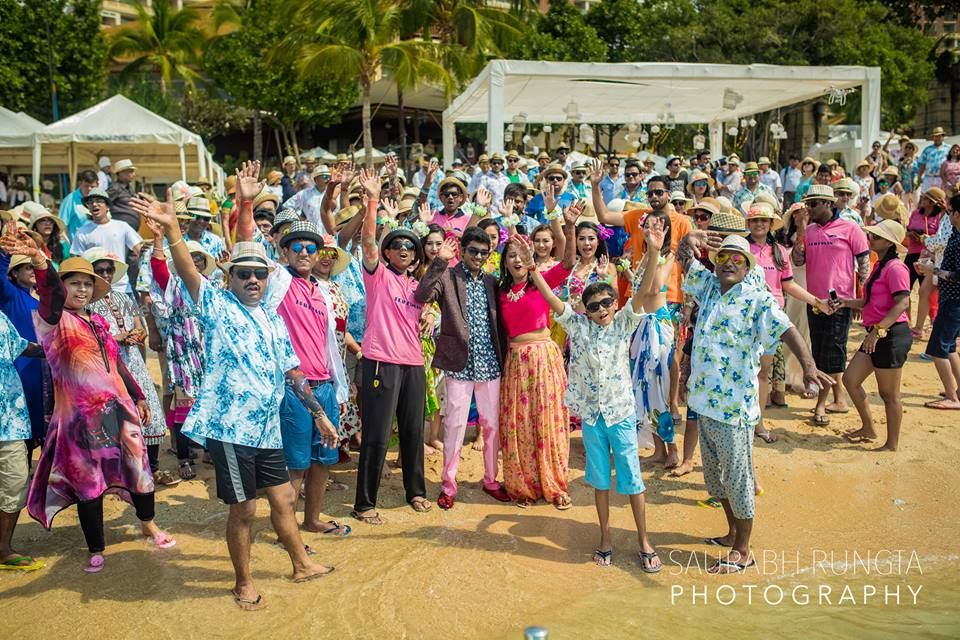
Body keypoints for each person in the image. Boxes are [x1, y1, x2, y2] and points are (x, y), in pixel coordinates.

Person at [133, 178, 336, 609]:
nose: (252, 279)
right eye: (243, 273)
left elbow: (292, 370)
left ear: (266, 278)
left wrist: (318, 412)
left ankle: (300, 563)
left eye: (259, 273)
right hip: (230, 429)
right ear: (231, 279)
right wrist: (171, 232)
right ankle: (243, 581)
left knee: (283, 496)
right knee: (243, 510)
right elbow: (188, 272)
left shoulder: (272, 318)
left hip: (266, 430)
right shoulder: (217, 305)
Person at [0, 235, 177, 573]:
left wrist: (138, 394)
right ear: (61, 286)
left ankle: (148, 524)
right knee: (88, 482)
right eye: (74, 283)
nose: (81, 290)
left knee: (138, 470)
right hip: (79, 420)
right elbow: (50, 294)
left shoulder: (96, 321)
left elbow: (116, 363)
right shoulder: (53, 321)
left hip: (118, 412)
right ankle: (96, 547)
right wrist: (40, 261)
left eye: (86, 284)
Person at [676, 232, 831, 574]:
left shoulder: (757, 299)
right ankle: (732, 534)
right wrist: (690, 237)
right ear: (715, 262)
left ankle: (744, 551)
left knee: (739, 478)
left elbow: (788, 329)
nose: (729, 263)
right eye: (723, 257)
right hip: (705, 403)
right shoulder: (707, 286)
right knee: (715, 480)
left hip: (735, 409)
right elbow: (684, 256)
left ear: (747, 267)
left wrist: (807, 365)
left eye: (737, 259)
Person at [522, 232, 662, 572]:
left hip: (621, 415)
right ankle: (605, 538)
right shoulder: (578, 327)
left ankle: (644, 540)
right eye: (594, 306)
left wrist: (654, 251)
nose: (601, 310)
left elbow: (643, 291)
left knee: (632, 480)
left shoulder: (624, 324)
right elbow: (553, 301)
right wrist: (532, 269)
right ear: (585, 309)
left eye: (606, 304)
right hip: (593, 417)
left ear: (615, 305)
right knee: (599, 481)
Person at [353, 168, 432, 524]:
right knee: (377, 435)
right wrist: (373, 199)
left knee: (414, 431)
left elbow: (432, 304)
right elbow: (368, 241)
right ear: (387, 252)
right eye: (397, 245)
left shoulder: (417, 286)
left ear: (415, 256)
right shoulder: (378, 275)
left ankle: (416, 491)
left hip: (413, 364)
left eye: (409, 246)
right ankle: (364, 503)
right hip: (380, 361)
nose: (403, 249)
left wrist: (435, 316)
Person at [415, 226, 511, 510]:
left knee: (491, 425)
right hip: (459, 363)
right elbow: (422, 295)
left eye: (484, 252)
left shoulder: (493, 282)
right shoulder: (447, 275)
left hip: (490, 364)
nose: (478, 256)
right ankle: (448, 484)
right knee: (455, 425)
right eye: (473, 251)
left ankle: (491, 480)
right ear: (463, 250)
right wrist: (440, 261)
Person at [497, 205, 578, 509]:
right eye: (511, 255)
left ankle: (556, 487)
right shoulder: (500, 291)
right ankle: (523, 487)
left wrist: (568, 226)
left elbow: (569, 262)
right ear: (504, 262)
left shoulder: (540, 282)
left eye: (521, 254)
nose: (516, 259)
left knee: (549, 423)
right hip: (515, 362)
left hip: (544, 358)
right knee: (519, 427)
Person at [83, 248, 177, 486]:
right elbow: (89, 338)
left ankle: (152, 468)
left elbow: (140, 327)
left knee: (151, 413)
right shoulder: (87, 304)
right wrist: (118, 337)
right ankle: (116, 475)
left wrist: (136, 334)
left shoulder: (124, 297)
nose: (105, 273)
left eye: (109, 269)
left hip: (133, 360)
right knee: (114, 417)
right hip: (107, 366)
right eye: (100, 269)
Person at [745, 202, 833, 439]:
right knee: (746, 373)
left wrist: (817, 302)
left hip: (771, 320)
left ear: (772, 224)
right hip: (744, 319)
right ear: (748, 224)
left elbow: (788, 285)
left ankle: (758, 424)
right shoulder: (742, 248)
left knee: (763, 373)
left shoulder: (780, 251)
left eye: (764, 220)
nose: (759, 224)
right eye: (754, 220)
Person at [790, 184, 870, 426]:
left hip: (840, 302)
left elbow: (864, 266)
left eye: (813, 204)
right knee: (821, 349)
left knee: (832, 352)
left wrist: (859, 300)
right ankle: (839, 397)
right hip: (815, 300)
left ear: (828, 204)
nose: (809, 209)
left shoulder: (850, 228)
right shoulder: (810, 230)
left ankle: (822, 404)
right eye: (807, 204)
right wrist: (802, 230)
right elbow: (798, 259)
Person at [838, 220, 913, 450]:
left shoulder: (895, 268)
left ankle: (892, 444)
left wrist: (878, 331)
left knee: (889, 395)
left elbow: (903, 303)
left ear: (889, 243)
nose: (870, 239)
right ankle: (869, 428)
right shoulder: (881, 265)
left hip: (889, 335)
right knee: (850, 379)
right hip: (878, 333)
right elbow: (871, 302)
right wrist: (845, 303)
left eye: (876, 237)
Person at [0, 308, 42, 571]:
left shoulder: (1, 317)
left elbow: (21, 345)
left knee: (15, 483)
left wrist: (57, 347)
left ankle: (3, 548)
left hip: (10, 419)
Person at [0, 237, 46, 447]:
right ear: (14, 273)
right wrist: (4, 255)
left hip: (41, 364)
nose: (31, 271)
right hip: (19, 365)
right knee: (23, 418)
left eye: (33, 267)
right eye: (26, 267)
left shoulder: (40, 299)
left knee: (39, 416)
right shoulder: (10, 294)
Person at [918, 195, 960, 410]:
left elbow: (958, 275)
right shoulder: (954, 235)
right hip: (950, 297)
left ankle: (952, 397)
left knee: (938, 349)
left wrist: (932, 270)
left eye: (951, 211)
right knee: (950, 347)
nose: (948, 215)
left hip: (954, 299)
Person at [69, 188, 143, 296]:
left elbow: (139, 249)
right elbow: (77, 259)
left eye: (99, 201)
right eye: (91, 202)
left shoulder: (122, 226)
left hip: (122, 288)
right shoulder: (82, 232)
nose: (94, 204)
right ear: (88, 208)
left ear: (107, 207)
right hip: (95, 290)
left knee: (128, 313)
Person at [906, 188, 946, 339]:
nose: (921, 198)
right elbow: (907, 229)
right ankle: (910, 323)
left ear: (932, 202)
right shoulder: (916, 213)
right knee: (911, 289)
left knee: (930, 293)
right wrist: (911, 235)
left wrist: (925, 239)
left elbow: (941, 239)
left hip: (932, 258)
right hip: (915, 254)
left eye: (925, 197)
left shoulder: (942, 217)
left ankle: (933, 324)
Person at [59, 169, 99, 238]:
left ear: (97, 184)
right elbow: (61, 226)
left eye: (92, 186)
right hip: (78, 246)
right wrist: (66, 246)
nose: (89, 189)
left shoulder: (101, 199)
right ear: (80, 184)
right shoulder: (70, 199)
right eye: (86, 186)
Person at [107, 159, 140, 231]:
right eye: (131, 171)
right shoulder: (115, 188)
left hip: (130, 230)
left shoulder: (129, 188)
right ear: (121, 173)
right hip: (120, 230)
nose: (134, 174)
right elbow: (103, 202)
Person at [918, 126, 948, 194]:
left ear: (943, 137)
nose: (936, 138)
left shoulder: (949, 148)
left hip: (942, 178)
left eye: (938, 136)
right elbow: (922, 164)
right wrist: (919, 176)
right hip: (929, 178)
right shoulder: (927, 149)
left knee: (941, 198)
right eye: (935, 136)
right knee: (925, 196)